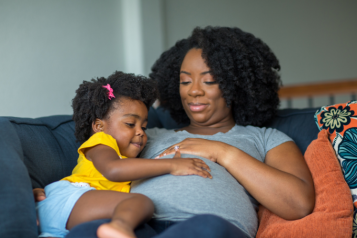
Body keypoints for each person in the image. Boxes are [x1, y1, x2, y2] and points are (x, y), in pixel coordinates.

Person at [34, 26, 315, 238]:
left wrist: (221, 151)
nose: (193, 90)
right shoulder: (143, 135)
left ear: (237, 85)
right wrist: (52, 194)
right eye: (184, 81)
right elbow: (100, 170)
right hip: (136, 225)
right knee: (92, 230)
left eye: (210, 81)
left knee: (207, 226)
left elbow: (298, 204)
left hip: (210, 227)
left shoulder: (265, 138)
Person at [35, 71, 212, 238]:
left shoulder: (126, 156)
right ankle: (120, 226)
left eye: (143, 126)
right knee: (140, 203)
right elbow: (114, 170)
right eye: (129, 124)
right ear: (99, 126)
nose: (141, 132)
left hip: (62, 221)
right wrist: (172, 165)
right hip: (70, 198)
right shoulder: (101, 142)